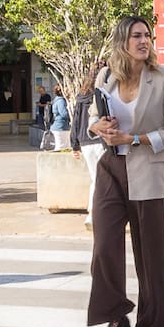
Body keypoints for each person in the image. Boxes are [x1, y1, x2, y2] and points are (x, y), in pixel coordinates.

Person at [86, 17, 164, 327]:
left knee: (151, 254)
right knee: (104, 246)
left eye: (147, 35)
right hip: (111, 168)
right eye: (136, 36)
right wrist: (99, 126)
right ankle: (116, 318)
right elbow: (91, 119)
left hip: (149, 171)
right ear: (121, 41)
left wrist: (134, 138)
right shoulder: (106, 76)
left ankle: (150, 325)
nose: (144, 41)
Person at [70, 65, 103, 229]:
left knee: (95, 178)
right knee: (101, 179)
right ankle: (94, 213)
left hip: (85, 142)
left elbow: (76, 121)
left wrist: (74, 145)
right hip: (100, 139)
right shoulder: (101, 94)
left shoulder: (81, 96)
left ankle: (93, 213)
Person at [42, 83, 69, 151]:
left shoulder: (56, 100)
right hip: (60, 127)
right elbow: (64, 114)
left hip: (56, 126)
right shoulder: (61, 101)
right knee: (61, 149)